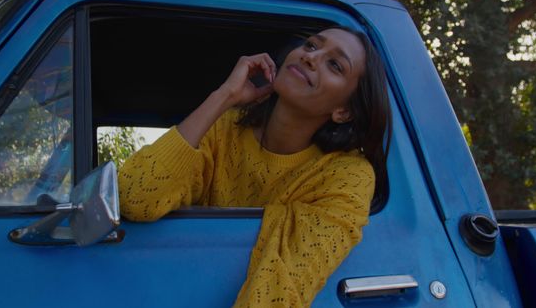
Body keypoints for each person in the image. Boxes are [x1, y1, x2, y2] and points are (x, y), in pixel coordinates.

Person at [118, 26, 392, 307]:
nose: (310, 57)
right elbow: (136, 197)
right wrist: (224, 96)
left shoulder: (346, 175)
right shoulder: (224, 130)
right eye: (311, 46)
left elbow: (277, 294)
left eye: (334, 64)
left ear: (343, 111)